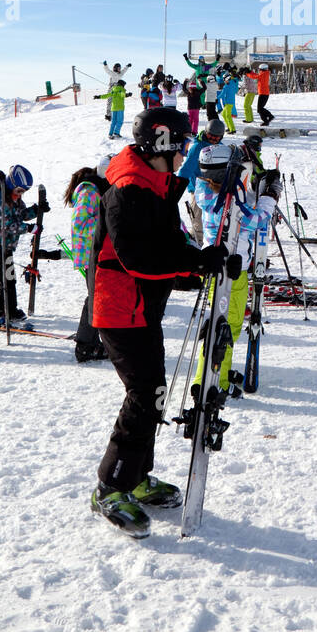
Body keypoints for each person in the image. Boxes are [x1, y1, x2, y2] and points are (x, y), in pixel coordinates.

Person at [89, 106, 228, 538]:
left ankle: (135, 476)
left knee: (153, 392)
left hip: (139, 308)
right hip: (120, 310)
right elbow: (141, 258)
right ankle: (111, 487)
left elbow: (164, 244)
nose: (185, 149)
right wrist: (194, 261)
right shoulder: (130, 188)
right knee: (144, 394)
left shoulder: (152, 184)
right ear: (163, 143)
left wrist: (197, 266)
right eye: (181, 143)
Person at [192, 145, 281, 398]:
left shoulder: (208, 191)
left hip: (222, 266)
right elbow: (257, 219)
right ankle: (212, 381)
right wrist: (270, 196)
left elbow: (244, 207)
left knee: (225, 323)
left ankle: (220, 370)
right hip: (231, 271)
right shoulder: (226, 202)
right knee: (226, 326)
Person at [0, 164, 47, 326]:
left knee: (10, 280)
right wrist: (28, 228)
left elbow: (21, 215)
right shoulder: (1, 201)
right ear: (11, 185)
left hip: (7, 248)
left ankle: (10, 309)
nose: (21, 194)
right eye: (19, 190)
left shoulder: (15, 200)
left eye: (23, 191)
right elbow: (7, 224)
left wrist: (36, 210)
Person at [66, 159, 111, 362]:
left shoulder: (97, 188)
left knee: (97, 296)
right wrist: (108, 219)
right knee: (94, 298)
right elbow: (80, 225)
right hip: (88, 254)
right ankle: (84, 346)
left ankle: (91, 341)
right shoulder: (89, 191)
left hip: (95, 252)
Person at [178, 118, 226, 246]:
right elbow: (185, 169)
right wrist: (175, 189)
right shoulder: (197, 147)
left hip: (215, 189)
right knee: (199, 221)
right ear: (205, 132)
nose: (213, 140)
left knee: (214, 220)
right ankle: (198, 244)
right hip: (198, 191)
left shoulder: (220, 147)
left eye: (217, 138)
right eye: (211, 136)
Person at [217, 67, 238, 134]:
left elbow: (222, 94)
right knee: (223, 114)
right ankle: (229, 127)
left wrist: (216, 98)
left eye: (224, 80)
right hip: (229, 102)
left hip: (229, 103)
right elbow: (236, 89)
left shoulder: (226, 86)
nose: (224, 81)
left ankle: (232, 129)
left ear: (227, 79)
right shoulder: (232, 83)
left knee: (228, 116)